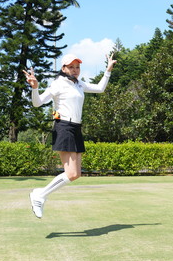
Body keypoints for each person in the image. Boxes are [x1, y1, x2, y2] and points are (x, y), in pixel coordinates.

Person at [23, 53, 117, 218]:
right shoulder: (58, 84)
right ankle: (40, 195)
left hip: (76, 128)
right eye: (71, 67)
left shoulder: (79, 84)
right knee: (72, 173)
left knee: (76, 174)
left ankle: (40, 194)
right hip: (64, 127)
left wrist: (108, 70)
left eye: (77, 67)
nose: (75, 70)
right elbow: (37, 103)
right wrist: (35, 88)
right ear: (63, 68)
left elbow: (100, 88)